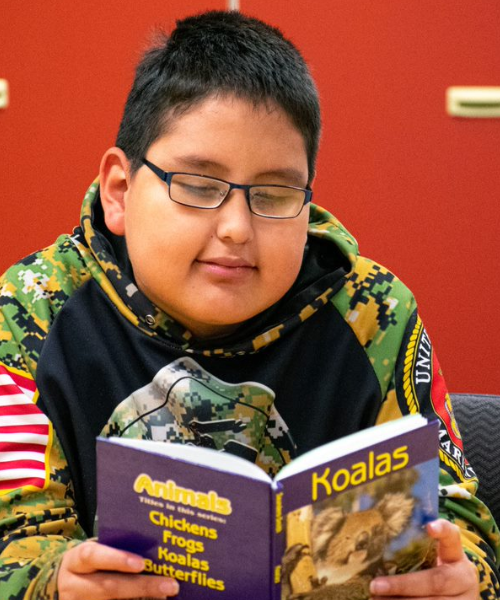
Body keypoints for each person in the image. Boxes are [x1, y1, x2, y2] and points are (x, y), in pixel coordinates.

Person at [0, 10, 498, 600]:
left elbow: (456, 514)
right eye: (198, 185)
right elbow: (15, 535)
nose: (237, 227)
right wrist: (56, 583)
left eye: (274, 193)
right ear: (119, 191)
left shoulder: (373, 313)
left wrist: (464, 577)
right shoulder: (33, 310)